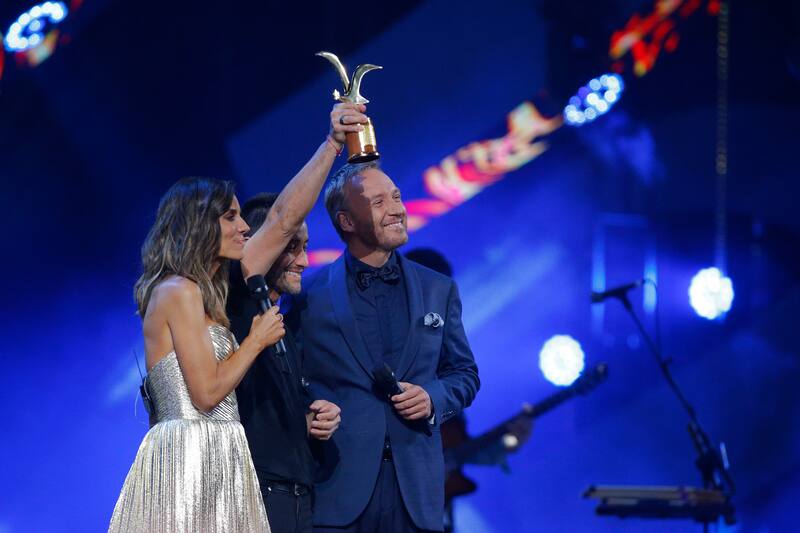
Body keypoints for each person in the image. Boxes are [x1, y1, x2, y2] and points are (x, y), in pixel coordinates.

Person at [109, 102, 364, 532]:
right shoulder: (177, 289)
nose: (244, 227)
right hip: (192, 462)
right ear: (198, 225)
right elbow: (206, 394)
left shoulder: (203, 291)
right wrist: (256, 340)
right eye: (230, 217)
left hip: (220, 455)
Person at [286, 162, 481, 532]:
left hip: (417, 494)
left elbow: (464, 374)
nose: (397, 210)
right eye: (379, 203)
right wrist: (308, 415)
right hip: (338, 492)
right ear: (346, 221)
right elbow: (286, 383)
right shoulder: (309, 297)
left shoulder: (438, 289)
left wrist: (432, 398)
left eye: (396, 197)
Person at [227, 193, 341, 533]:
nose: (303, 261)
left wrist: (312, 419)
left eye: (305, 247)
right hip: (257, 497)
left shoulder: (283, 325)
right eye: (291, 247)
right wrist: (328, 157)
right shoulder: (237, 306)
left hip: (297, 498)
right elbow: (281, 221)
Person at [403, 248, 533, 533]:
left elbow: (458, 451)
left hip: (434, 517)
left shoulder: (445, 360)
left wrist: (508, 443)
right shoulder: (383, 349)